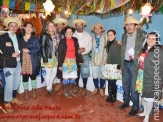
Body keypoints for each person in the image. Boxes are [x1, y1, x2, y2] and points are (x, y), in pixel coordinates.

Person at [119, 16, 147, 116]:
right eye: (127, 25)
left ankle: (135, 107)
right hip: (125, 63)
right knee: (125, 85)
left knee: (134, 87)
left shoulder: (142, 35)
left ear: (135, 26)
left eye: (131, 24)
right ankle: (126, 102)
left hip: (135, 65)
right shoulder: (124, 36)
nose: (129, 26)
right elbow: (123, 50)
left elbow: (149, 46)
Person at [136, 32, 163, 122]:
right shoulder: (145, 49)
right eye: (149, 38)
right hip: (142, 75)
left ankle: (147, 116)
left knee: (149, 98)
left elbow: (160, 68)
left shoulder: (158, 51)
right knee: (144, 96)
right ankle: (144, 111)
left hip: (151, 78)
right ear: (146, 39)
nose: (150, 40)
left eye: (153, 39)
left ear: (157, 41)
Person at [0, 17, 22, 112]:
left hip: (18, 63)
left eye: (15, 26)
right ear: (8, 27)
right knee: (9, 83)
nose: (13, 27)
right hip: (8, 65)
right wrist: (11, 54)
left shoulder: (18, 37)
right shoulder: (3, 38)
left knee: (16, 82)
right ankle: (7, 102)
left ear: (17, 27)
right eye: (11, 26)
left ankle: (13, 97)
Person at [58, 26, 83, 98]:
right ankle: (65, 92)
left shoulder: (75, 40)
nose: (69, 33)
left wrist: (80, 59)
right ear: (65, 33)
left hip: (73, 61)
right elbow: (60, 53)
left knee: (74, 77)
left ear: (72, 33)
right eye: (67, 32)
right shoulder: (62, 41)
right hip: (65, 61)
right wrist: (60, 65)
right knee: (65, 78)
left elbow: (78, 50)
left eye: (70, 32)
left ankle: (70, 91)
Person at [20, 22, 41, 100]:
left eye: (30, 27)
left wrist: (28, 50)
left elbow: (38, 49)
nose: (29, 28)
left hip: (33, 59)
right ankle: (26, 91)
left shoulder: (35, 38)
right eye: (27, 27)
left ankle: (34, 91)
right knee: (25, 77)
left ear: (32, 29)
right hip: (23, 60)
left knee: (33, 76)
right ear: (24, 28)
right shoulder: (20, 39)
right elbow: (18, 49)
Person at [72, 19, 92, 96]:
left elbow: (90, 46)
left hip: (85, 57)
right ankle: (76, 86)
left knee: (85, 72)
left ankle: (84, 87)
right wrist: (76, 50)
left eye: (81, 25)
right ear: (76, 26)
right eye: (78, 25)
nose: (79, 26)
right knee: (76, 72)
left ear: (83, 26)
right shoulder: (73, 35)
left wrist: (85, 49)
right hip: (75, 57)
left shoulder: (87, 35)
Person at [40, 21, 58, 95]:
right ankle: (48, 87)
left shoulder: (53, 35)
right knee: (49, 73)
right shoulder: (45, 35)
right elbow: (42, 47)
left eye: (52, 26)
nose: (51, 27)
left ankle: (49, 86)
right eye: (49, 26)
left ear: (54, 27)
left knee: (54, 72)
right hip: (47, 57)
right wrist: (45, 59)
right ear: (47, 27)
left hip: (53, 56)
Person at [91, 23, 107, 96]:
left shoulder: (105, 37)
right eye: (95, 28)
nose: (97, 29)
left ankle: (101, 89)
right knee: (94, 76)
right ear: (94, 30)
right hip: (94, 60)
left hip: (103, 59)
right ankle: (96, 88)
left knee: (102, 76)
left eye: (98, 28)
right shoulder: (92, 38)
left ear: (101, 29)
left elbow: (111, 43)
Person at [105, 29, 121, 103]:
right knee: (109, 81)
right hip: (108, 65)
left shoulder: (118, 44)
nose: (110, 36)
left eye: (111, 35)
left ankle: (114, 96)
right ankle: (109, 95)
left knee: (113, 82)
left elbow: (121, 56)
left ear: (115, 36)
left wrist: (119, 66)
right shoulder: (107, 43)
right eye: (108, 35)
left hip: (115, 65)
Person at [53, 18, 68, 91]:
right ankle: (60, 82)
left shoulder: (66, 34)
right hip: (56, 55)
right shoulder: (53, 34)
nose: (59, 26)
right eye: (58, 24)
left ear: (63, 26)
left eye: (61, 24)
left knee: (64, 70)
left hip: (65, 55)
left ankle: (62, 83)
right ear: (56, 26)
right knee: (57, 70)